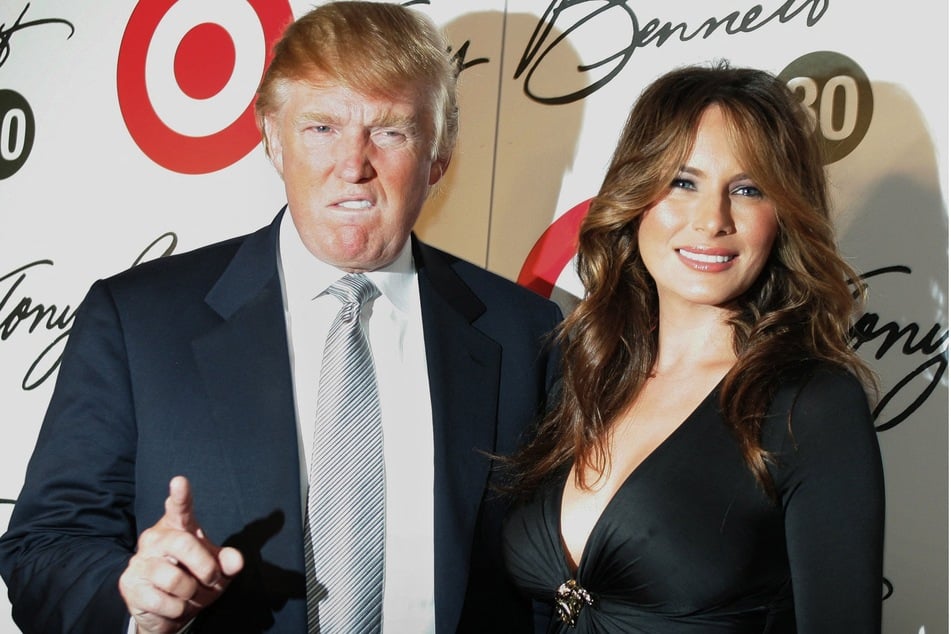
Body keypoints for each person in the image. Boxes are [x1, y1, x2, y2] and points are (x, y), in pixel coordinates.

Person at [0, 2, 561, 633]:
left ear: (439, 157)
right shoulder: (136, 322)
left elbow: (547, 584)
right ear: (273, 137)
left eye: (390, 131)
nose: (354, 165)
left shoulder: (527, 337)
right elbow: (44, 548)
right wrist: (133, 598)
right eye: (321, 127)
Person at [501, 62, 885, 632]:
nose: (712, 220)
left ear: (782, 216)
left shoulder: (812, 404)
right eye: (683, 182)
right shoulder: (580, 372)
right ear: (636, 197)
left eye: (748, 189)